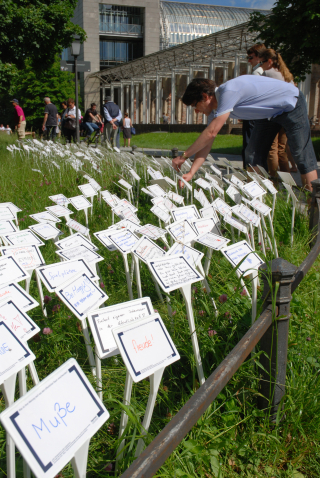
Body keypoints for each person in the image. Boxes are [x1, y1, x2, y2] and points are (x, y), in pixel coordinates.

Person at [172, 77, 318, 191]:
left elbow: (211, 133)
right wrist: (191, 172)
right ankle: (260, 201)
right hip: (267, 115)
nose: (196, 111)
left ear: (205, 96)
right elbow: (206, 143)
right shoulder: (215, 111)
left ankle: (313, 207)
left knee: (300, 154)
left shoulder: (228, 91)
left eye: (195, 106)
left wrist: (184, 156)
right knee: (252, 155)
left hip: (290, 104)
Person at [259, 48, 297, 177]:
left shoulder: (267, 74)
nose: (261, 66)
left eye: (262, 62)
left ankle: (274, 182)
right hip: (287, 115)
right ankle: (287, 181)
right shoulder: (286, 74)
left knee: (272, 149)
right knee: (282, 149)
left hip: (273, 115)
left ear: (269, 61)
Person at [241, 43, 266, 168]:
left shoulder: (257, 72)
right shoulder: (266, 71)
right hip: (264, 114)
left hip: (253, 114)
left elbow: (254, 95)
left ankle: (250, 173)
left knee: (249, 146)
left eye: (251, 57)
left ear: (259, 57)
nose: (249, 61)